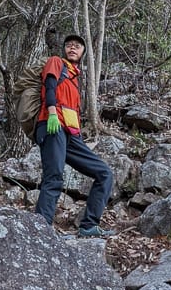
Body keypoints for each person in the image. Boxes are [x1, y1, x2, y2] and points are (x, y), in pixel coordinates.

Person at [34, 34, 114, 238]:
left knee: (104, 173)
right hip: (53, 126)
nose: (72, 48)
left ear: (83, 52)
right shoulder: (56, 62)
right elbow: (49, 87)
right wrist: (51, 113)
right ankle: (39, 232)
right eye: (69, 45)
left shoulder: (75, 78)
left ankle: (88, 226)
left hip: (71, 134)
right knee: (54, 177)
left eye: (77, 46)